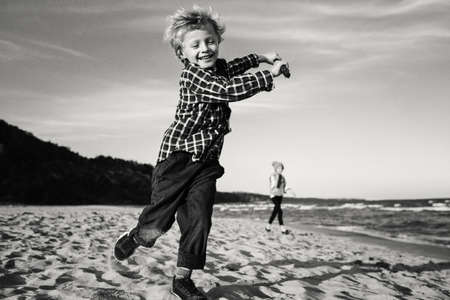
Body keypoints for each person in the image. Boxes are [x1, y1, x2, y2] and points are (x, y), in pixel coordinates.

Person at [113, 5, 289, 300]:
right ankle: (137, 237)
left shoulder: (217, 67)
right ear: (182, 52)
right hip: (177, 160)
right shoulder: (192, 77)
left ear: (218, 42)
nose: (205, 49)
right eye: (195, 45)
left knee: (200, 220)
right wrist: (269, 75)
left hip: (206, 163)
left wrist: (260, 57)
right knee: (158, 225)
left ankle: (182, 278)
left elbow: (234, 67)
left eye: (210, 41)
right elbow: (228, 89)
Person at [266, 161, 289, 234]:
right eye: (279, 168)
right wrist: (278, 180)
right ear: (276, 169)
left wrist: (286, 189)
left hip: (280, 195)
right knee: (278, 210)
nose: (281, 169)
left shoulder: (283, 177)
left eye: (282, 168)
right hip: (273, 195)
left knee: (278, 211)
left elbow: (283, 187)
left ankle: (268, 226)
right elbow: (274, 184)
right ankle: (282, 229)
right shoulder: (273, 175)